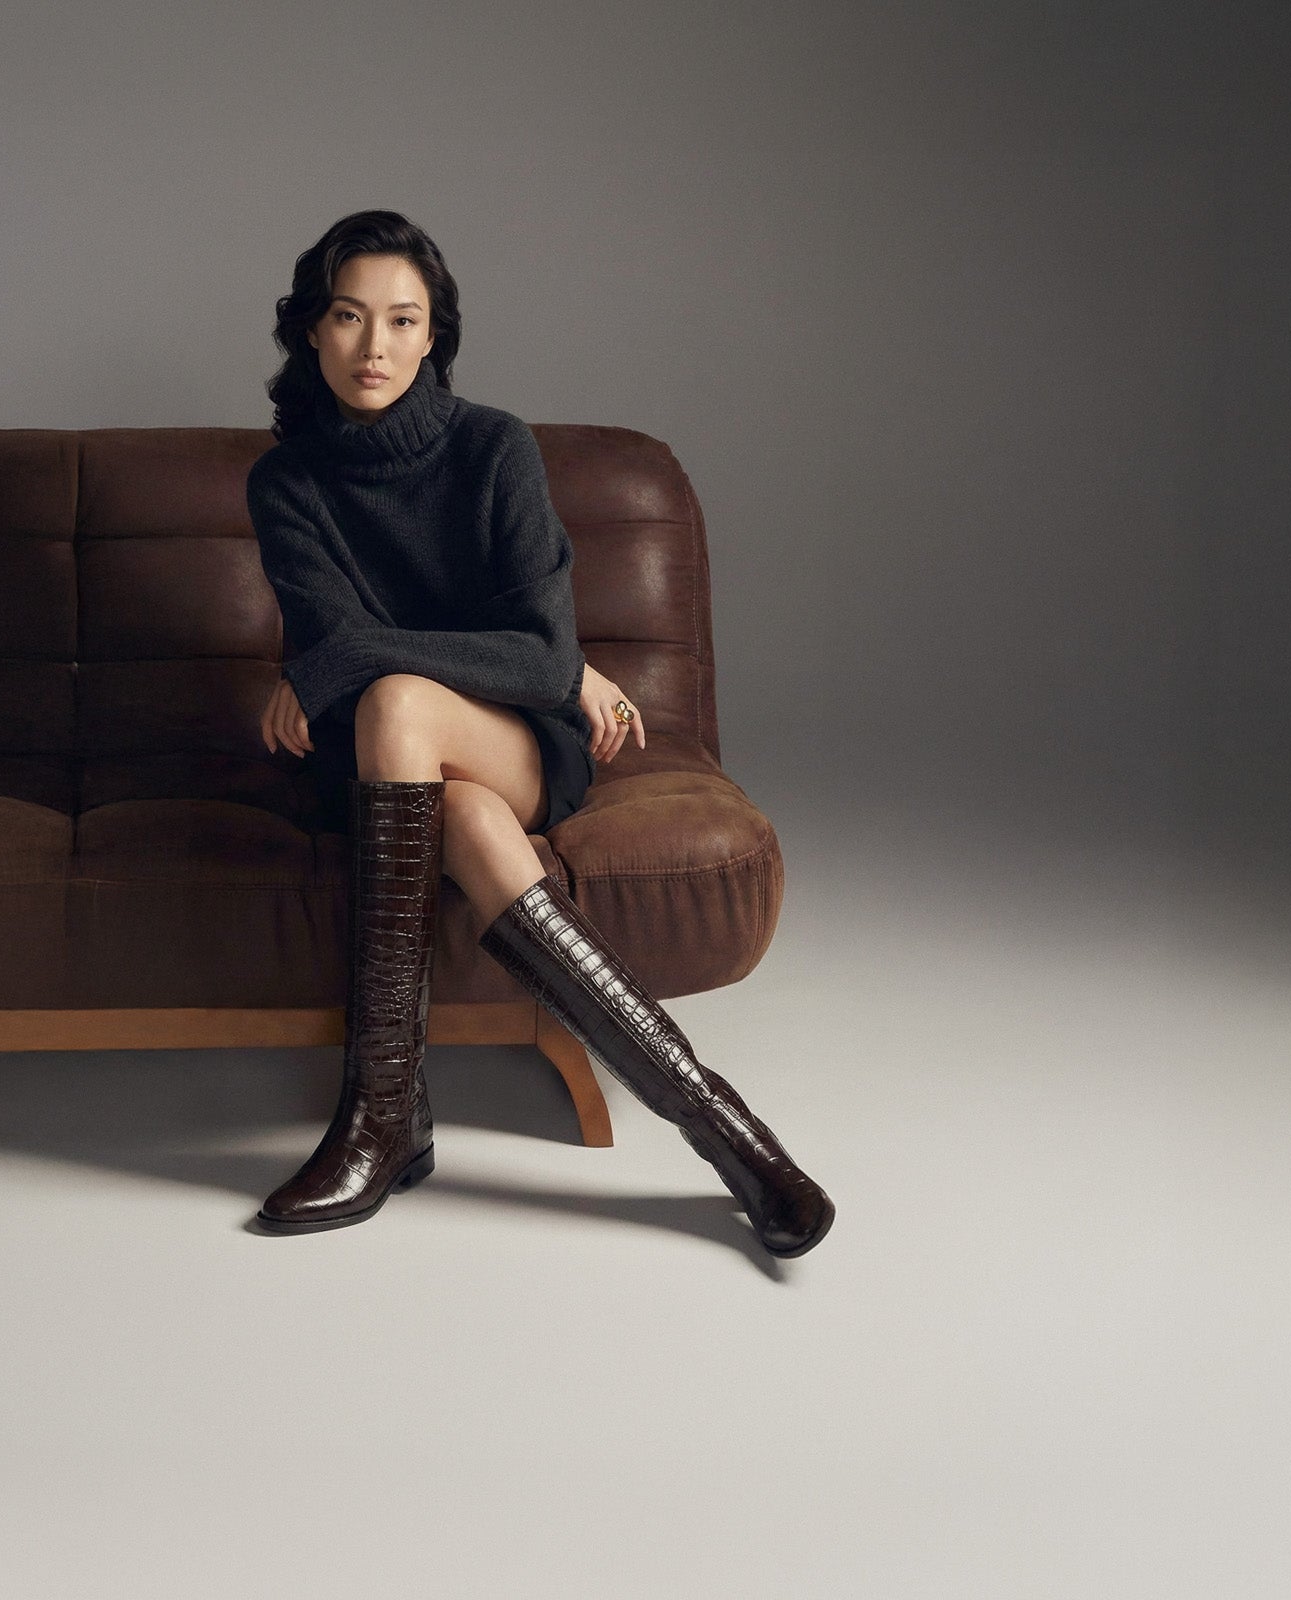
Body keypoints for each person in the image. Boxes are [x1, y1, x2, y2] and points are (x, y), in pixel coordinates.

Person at [244, 208, 834, 1258]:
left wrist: (358, 660)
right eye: (346, 317)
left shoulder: (492, 448)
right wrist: (333, 663)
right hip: (392, 769)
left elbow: (536, 660)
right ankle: (726, 1131)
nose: (372, 347)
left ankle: (378, 1120)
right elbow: (344, 646)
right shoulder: (285, 481)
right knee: (446, 793)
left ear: (435, 336)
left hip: (521, 740)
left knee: (390, 700)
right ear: (309, 330)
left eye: (400, 320)